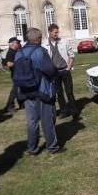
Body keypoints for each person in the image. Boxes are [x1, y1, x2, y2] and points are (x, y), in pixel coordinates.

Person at [15, 28, 64, 156]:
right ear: (38, 39)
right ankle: (52, 147)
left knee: (32, 121)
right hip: (41, 91)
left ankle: (32, 148)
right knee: (47, 120)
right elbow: (50, 70)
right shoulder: (40, 52)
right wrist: (55, 77)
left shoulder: (18, 53)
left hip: (25, 91)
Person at [43, 24, 79, 120]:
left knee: (69, 92)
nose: (56, 34)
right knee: (59, 93)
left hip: (65, 71)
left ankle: (74, 111)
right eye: (55, 32)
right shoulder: (45, 45)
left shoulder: (64, 42)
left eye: (57, 32)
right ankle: (64, 111)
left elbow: (71, 55)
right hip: (54, 73)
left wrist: (68, 67)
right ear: (50, 32)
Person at [4, 37, 22, 113]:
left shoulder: (16, 51)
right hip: (15, 75)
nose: (18, 44)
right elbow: (9, 64)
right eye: (17, 42)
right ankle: (9, 106)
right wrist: (19, 63)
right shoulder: (10, 52)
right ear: (12, 44)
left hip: (19, 74)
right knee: (14, 91)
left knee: (19, 90)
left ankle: (21, 104)